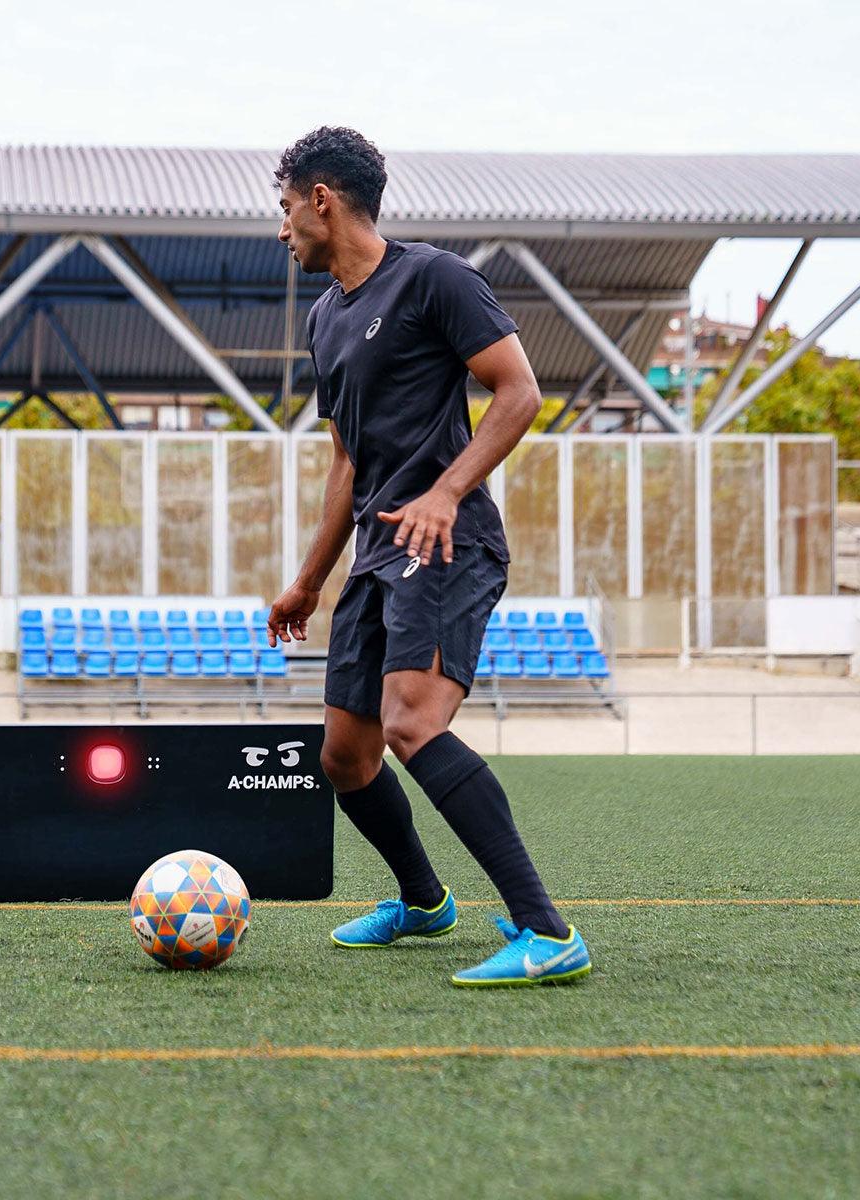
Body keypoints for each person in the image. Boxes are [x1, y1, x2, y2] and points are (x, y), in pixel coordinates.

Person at [267, 126, 590, 987]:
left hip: (446, 540)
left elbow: (520, 393)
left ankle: (547, 931)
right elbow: (346, 461)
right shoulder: (327, 317)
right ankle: (423, 901)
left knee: (412, 723)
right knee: (343, 754)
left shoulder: (435, 278)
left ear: (322, 200)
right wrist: (308, 579)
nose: (284, 226)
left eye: (287, 206)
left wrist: (447, 491)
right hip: (376, 553)